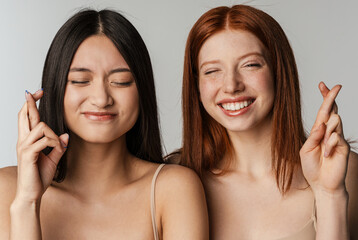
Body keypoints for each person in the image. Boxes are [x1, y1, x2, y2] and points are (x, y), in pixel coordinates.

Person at [0, 9, 208, 239]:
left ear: (142, 91)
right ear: (56, 87)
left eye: (121, 81)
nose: (101, 99)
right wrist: (27, 203)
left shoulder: (173, 189)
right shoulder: (8, 189)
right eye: (80, 80)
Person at [178, 4, 358, 239]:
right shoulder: (174, 177)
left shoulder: (345, 170)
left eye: (250, 65)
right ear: (196, 85)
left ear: (278, 71)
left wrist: (330, 194)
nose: (231, 85)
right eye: (212, 71)